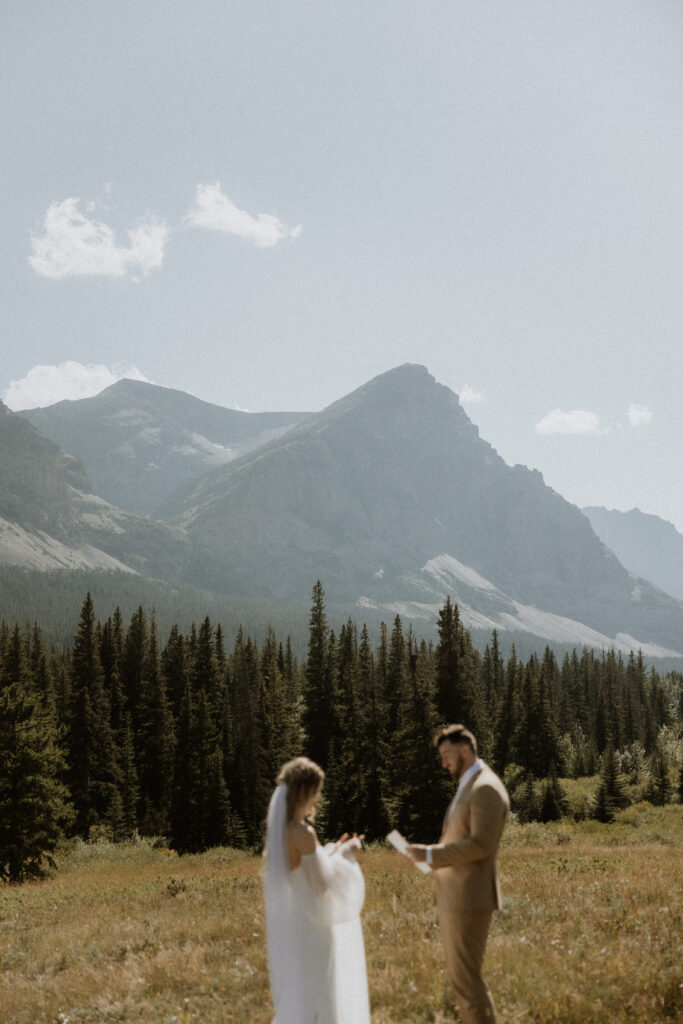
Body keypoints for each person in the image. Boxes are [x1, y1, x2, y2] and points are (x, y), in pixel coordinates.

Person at [405, 724, 509, 1024]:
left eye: (447, 754)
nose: (444, 762)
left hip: (470, 897)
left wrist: (429, 854)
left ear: (465, 749)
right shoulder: (470, 783)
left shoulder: (485, 787)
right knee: (462, 980)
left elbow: (481, 845)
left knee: (467, 981)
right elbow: (458, 839)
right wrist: (424, 856)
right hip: (457, 896)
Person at [263, 756, 370, 1024]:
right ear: (303, 792)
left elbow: (302, 870)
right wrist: (346, 853)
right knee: (322, 990)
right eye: (316, 792)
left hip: (293, 920)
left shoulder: (280, 834)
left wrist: (330, 852)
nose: (318, 799)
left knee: (301, 991)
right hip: (313, 924)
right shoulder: (302, 833)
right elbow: (321, 886)